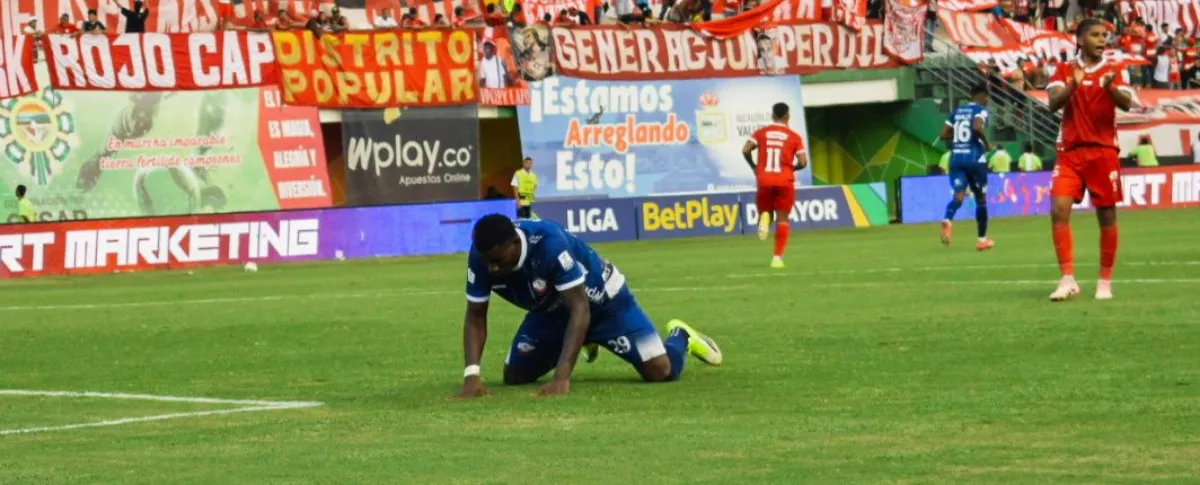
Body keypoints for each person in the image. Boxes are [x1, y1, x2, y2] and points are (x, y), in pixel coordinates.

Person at [459, 215, 722, 397]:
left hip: (606, 304)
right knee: (515, 376)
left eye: (497, 260)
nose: (492, 268)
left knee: (660, 371)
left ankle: (682, 337)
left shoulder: (550, 245)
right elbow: (475, 316)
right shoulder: (481, 259)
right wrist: (472, 375)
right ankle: (582, 340)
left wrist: (562, 377)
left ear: (515, 244)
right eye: (487, 261)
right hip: (551, 314)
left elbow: (580, 308)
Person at [1045, 18, 1137, 301]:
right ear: (1080, 39)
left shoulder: (1114, 70)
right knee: (1059, 209)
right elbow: (1053, 104)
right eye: (1096, 35)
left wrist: (1109, 88)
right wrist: (1073, 85)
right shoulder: (1063, 69)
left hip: (1103, 151)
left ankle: (1104, 281)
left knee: (1106, 214)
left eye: (1104, 36)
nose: (1102, 40)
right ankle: (1067, 278)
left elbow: (1126, 103)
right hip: (1070, 152)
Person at [742, 102, 807, 269]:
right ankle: (777, 258)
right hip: (784, 181)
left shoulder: (761, 133)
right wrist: (792, 168)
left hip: (764, 179)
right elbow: (803, 162)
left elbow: (745, 150)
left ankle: (765, 217)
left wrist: (755, 167)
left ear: (772, 116)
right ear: (787, 116)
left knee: (766, 213)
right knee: (783, 220)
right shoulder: (794, 136)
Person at [937, 83, 995, 251]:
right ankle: (982, 239)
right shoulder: (980, 110)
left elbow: (942, 135)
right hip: (974, 159)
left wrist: (958, 138)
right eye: (987, 98)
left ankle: (947, 219)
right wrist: (987, 143)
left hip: (956, 158)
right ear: (982, 96)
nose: (987, 101)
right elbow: (977, 127)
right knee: (981, 199)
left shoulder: (956, 111)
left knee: (958, 196)